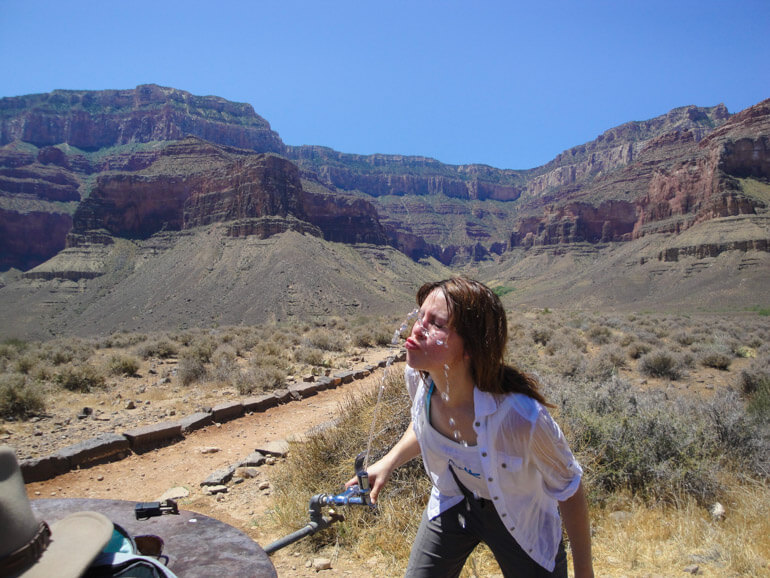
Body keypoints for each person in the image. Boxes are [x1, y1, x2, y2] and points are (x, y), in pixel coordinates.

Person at [349, 277, 593, 577]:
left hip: (519, 515)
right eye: (419, 316)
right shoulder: (420, 378)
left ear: (470, 348)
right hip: (454, 498)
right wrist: (387, 463)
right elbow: (421, 424)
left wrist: (585, 571)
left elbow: (569, 488)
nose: (417, 329)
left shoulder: (522, 418)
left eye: (436, 324)